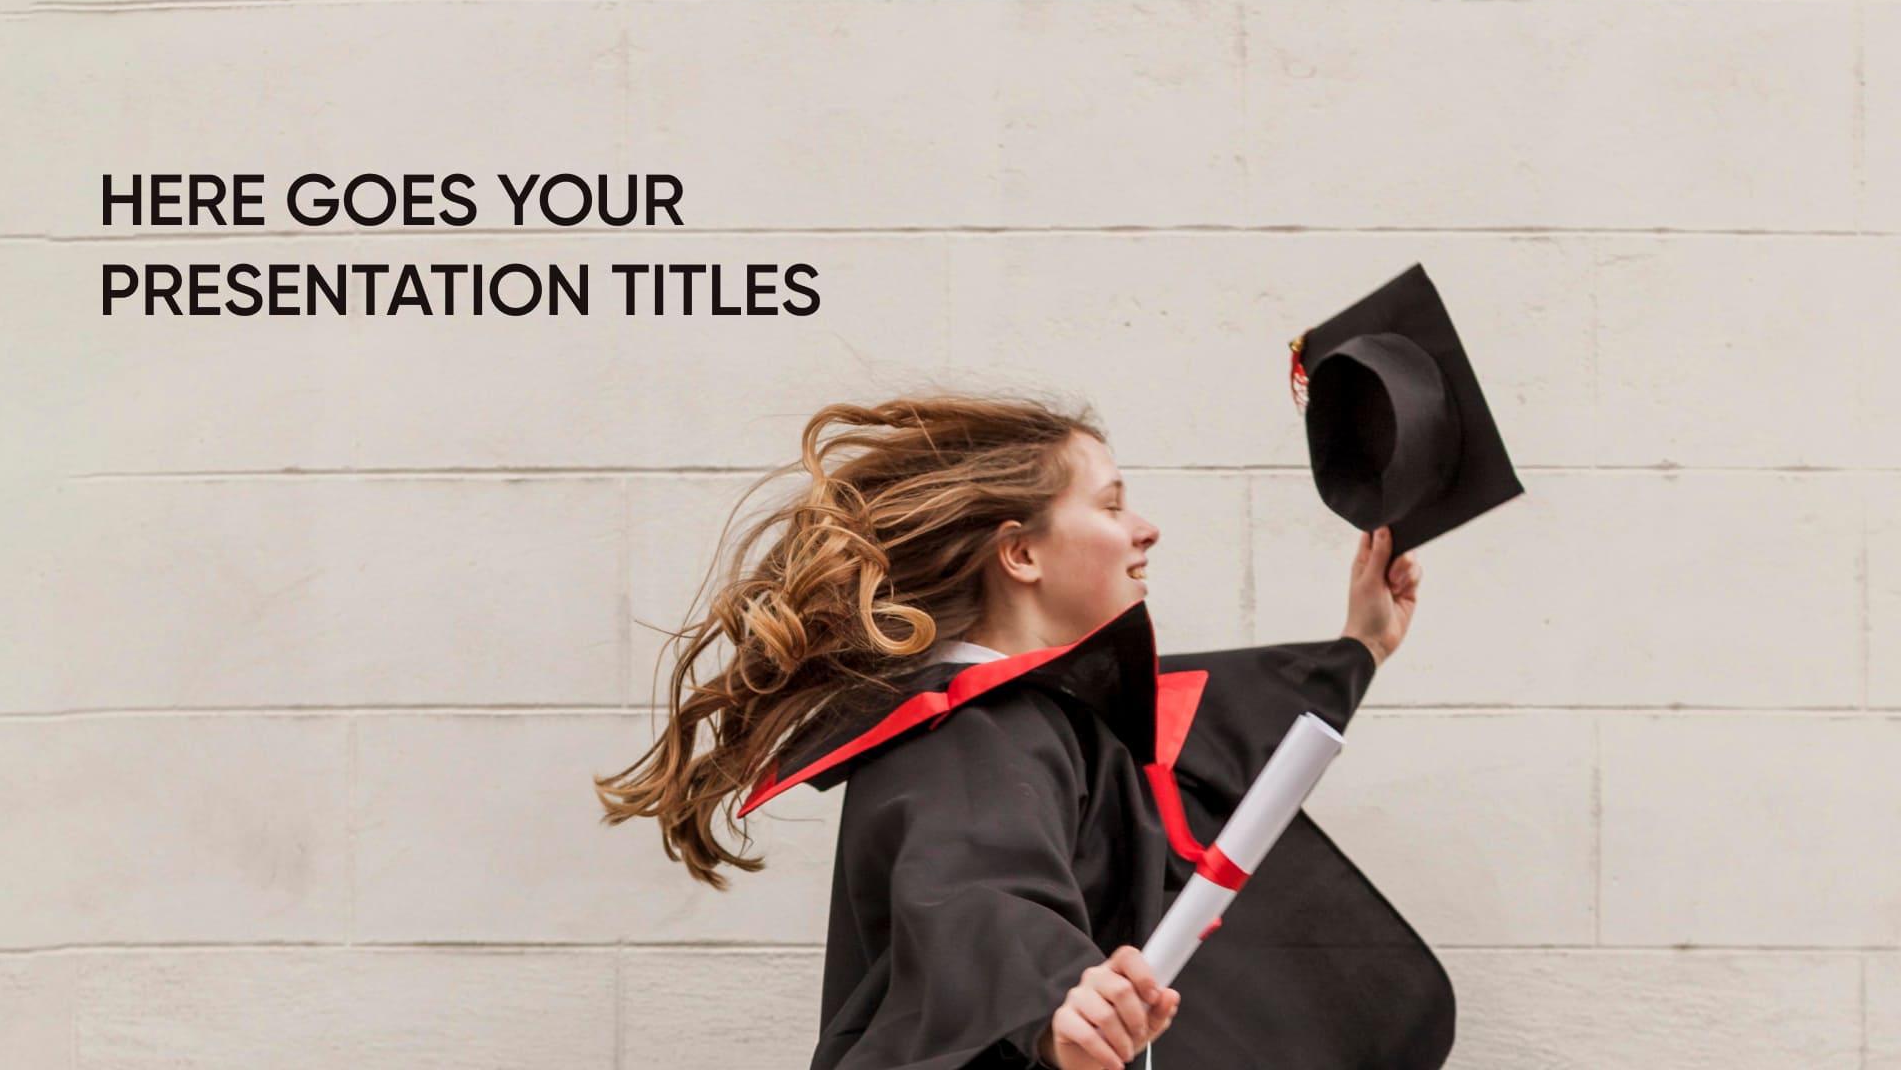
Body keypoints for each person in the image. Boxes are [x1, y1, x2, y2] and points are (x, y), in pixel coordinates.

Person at [595, 394, 1454, 1069]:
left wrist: (1359, 646)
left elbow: (1201, 728)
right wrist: (1056, 1000)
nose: (1144, 528)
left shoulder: (1041, 717)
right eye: (1113, 504)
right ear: (1021, 554)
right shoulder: (968, 731)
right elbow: (974, 894)